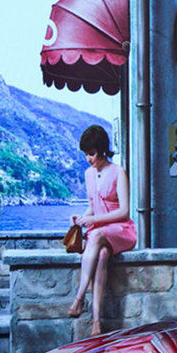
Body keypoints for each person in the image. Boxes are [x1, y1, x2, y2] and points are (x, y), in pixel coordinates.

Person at [68, 125, 136, 335]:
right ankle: (96, 321)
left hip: (121, 230)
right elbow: (93, 204)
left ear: (102, 150)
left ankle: (79, 298)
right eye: (86, 154)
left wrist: (93, 220)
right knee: (102, 255)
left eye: (92, 153)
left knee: (96, 234)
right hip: (100, 232)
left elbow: (124, 211)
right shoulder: (89, 174)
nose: (88, 158)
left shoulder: (118, 172)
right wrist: (82, 218)